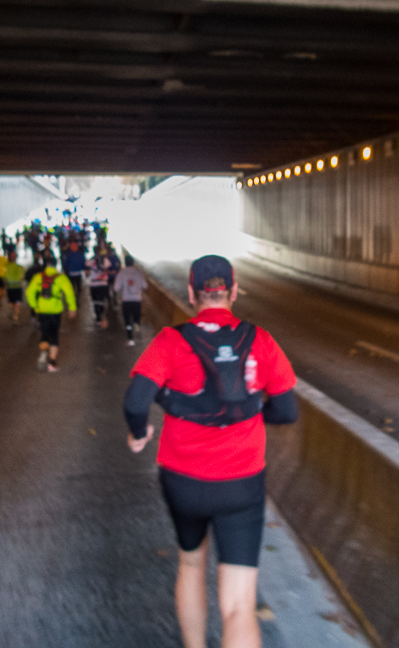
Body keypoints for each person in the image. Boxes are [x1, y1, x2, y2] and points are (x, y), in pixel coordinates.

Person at [123, 255, 298, 648]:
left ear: (192, 294)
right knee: (238, 604)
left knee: (190, 563)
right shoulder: (262, 341)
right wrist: (249, 413)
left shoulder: (171, 341)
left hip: (182, 478)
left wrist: (140, 433)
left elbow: (136, 402)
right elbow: (287, 410)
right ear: (233, 292)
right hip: (242, 482)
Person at [25, 252, 77, 372]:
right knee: (54, 335)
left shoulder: (38, 277)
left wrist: (35, 306)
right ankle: (52, 363)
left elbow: (29, 292)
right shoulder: (61, 277)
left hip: (42, 309)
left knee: (44, 333)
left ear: (45, 265)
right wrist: (72, 308)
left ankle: (43, 352)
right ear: (55, 265)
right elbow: (69, 293)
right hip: (55, 310)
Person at [113, 254, 146, 346]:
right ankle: (137, 332)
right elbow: (145, 286)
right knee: (136, 318)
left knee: (127, 321)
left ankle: (130, 338)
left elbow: (116, 288)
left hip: (126, 301)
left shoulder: (122, 273)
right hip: (137, 301)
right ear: (133, 263)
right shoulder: (139, 273)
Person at [85, 246, 113, 329]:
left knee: (95, 301)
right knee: (101, 300)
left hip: (94, 284)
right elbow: (109, 269)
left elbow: (86, 272)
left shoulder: (90, 261)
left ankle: (98, 318)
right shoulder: (105, 260)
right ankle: (102, 315)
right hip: (103, 284)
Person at [3, 251, 26, 324]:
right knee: (18, 303)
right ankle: (16, 317)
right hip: (18, 287)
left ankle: (12, 313)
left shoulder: (7, 267)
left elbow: (5, 278)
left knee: (11, 302)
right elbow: (23, 277)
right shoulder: (21, 267)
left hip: (10, 288)